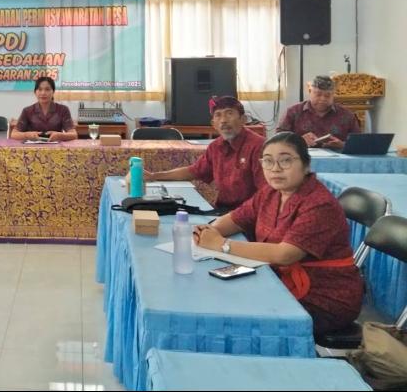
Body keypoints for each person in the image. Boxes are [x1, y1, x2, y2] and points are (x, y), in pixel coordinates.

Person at [192, 132, 363, 340]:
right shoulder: (270, 192)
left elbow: (285, 255)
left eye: (286, 160)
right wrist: (209, 231)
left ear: (306, 165)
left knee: (235, 313)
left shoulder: (319, 204)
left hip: (324, 295)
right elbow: (236, 219)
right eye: (268, 161)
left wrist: (222, 245)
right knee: (217, 294)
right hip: (278, 278)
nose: (275, 168)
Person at [145, 95, 266, 212]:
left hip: (252, 214)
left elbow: (266, 193)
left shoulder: (258, 146)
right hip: (224, 210)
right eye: (218, 115)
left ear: (243, 120)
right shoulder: (216, 147)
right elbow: (193, 171)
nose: (223, 120)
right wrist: (154, 176)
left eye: (229, 113)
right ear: (213, 124)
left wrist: (234, 219)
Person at [277, 74, 360, 150]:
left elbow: (358, 143)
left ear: (333, 95)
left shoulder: (347, 115)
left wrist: (343, 145)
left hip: (337, 158)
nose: (322, 99)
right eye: (318, 94)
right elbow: (278, 139)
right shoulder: (293, 112)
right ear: (310, 92)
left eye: (327, 95)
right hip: (301, 158)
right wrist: (299, 141)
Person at [9, 76, 77, 142]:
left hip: (56, 148)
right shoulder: (27, 111)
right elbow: (14, 134)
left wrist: (59, 136)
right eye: (40, 89)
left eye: (47, 89)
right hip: (32, 148)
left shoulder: (63, 110)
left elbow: (74, 134)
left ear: (53, 92)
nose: (43, 93)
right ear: (35, 92)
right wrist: (28, 135)